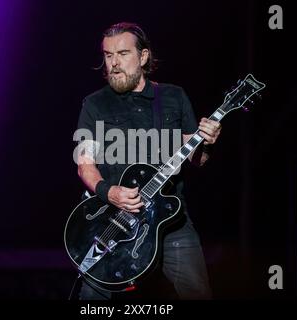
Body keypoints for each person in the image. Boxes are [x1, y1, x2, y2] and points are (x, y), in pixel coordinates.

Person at [75, 22, 221, 300]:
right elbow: (85, 164)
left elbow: (196, 158)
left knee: (198, 292)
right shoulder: (94, 104)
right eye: (108, 55)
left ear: (143, 57)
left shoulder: (173, 97)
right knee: (91, 299)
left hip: (170, 219)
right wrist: (111, 192)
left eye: (123, 53)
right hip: (113, 218)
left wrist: (207, 142)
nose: (114, 63)